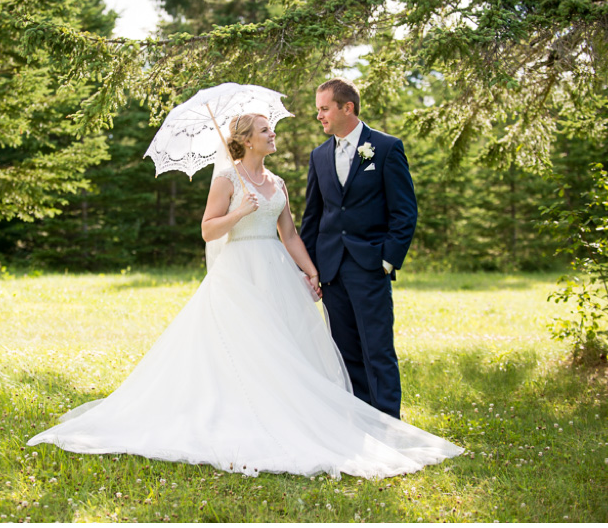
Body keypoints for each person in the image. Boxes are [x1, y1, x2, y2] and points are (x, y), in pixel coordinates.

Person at [27, 113, 462, 479]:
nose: (273, 134)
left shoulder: (277, 181)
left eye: (271, 129)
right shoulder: (225, 178)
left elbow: (289, 233)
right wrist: (239, 210)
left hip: (275, 269)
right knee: (245, 347)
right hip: (239, 272)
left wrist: (311, 272)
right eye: (265, 131)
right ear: (246, 140)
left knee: (284, 348)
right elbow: (207, 229)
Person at [300, 78, 416, 420]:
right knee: (345, 351)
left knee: (377, 349)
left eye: (324, 108)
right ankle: (361, 421)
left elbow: (404, 212)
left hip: (369, 265)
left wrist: (386, 260)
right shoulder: (319, 155)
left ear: (346, 107)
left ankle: (388, 423)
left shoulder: (386, 147)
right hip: (331, 268)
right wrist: (308, 268)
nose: (318, 115)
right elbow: (313, 216)